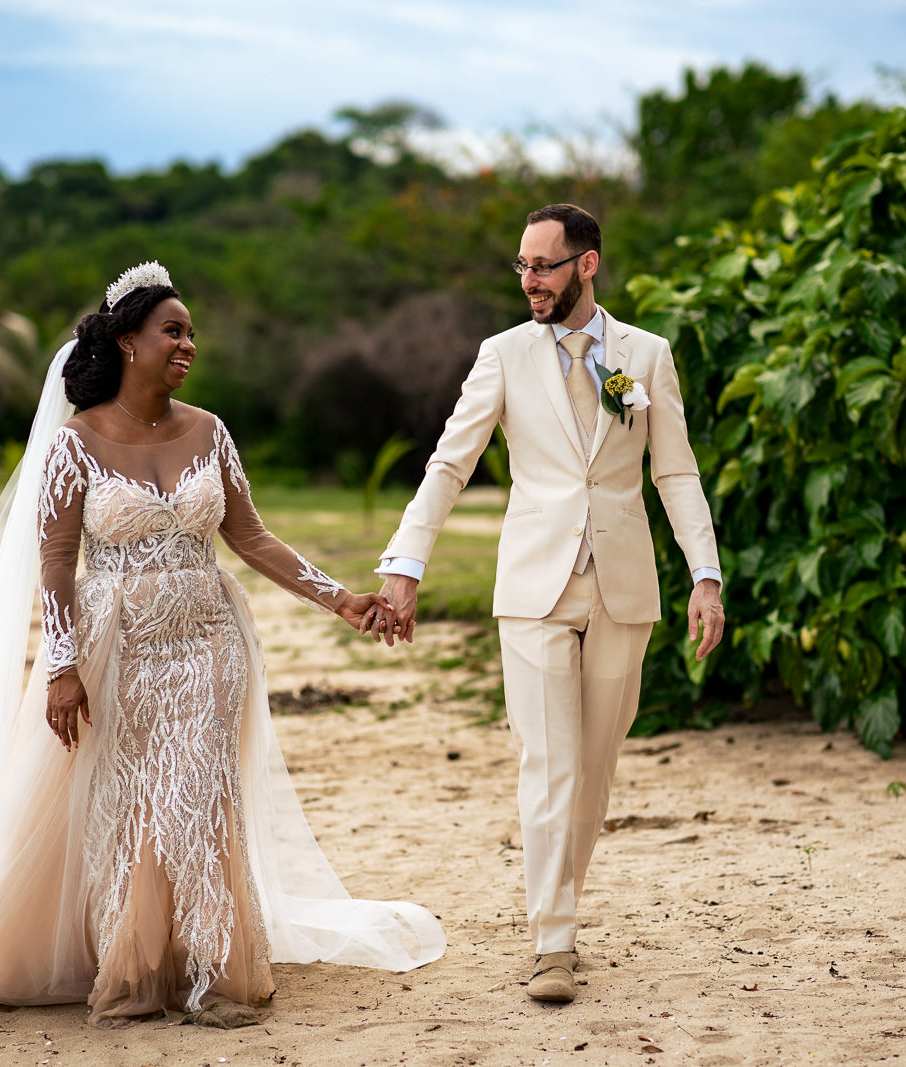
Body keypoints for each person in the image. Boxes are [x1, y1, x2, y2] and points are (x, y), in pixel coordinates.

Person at [0, 262, 445, 1028]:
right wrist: (63, 667)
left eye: (192, 332)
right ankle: (138, 963)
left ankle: (211, 971)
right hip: (119, 647)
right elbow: (54, 562)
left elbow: (251, 536)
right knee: (137, 802)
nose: (188, 344)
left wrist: (341, 598)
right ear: (128, 341)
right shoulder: (74, 443)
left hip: (209, 637)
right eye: (173, 330)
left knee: (201, 789)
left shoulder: (209, 430)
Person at [373, 205, 723, 1004]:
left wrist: (705, 573)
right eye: (521, 267)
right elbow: (449, 464)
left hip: (624, 586)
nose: (528, 281)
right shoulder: (501, 356)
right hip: (533, 587)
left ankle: (560, 908)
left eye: (543, 266)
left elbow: (676, 471)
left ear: (586, 265)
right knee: (549, 762)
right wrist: (406, 562)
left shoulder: (646, 356)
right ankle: (553, 938)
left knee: (594, 769)